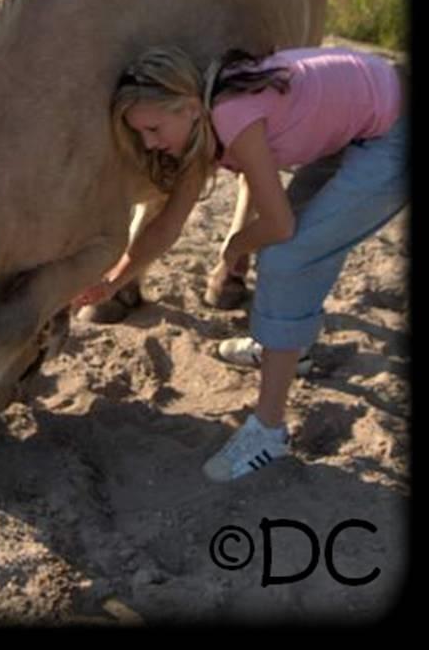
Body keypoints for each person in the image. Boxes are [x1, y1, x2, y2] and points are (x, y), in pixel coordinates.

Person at [72, 45, 407, 482]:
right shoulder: (201, 127)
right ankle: (288, 349)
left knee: (288, 256)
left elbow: (279, 227)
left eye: (154, 128)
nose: (151, 143)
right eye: (142, 135)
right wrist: (113, 281)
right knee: (310, 238)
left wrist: (234, 248)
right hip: (370, 113)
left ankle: (268, 432)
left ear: (191, 107)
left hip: (396, 130)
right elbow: (167, 226)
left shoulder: (232, 117)